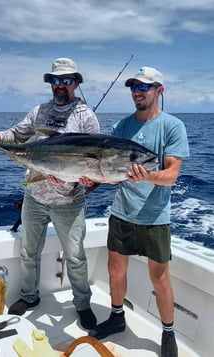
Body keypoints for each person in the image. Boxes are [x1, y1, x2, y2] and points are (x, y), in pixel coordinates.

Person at [0, 58, 100, 329]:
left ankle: (82, 303)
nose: (60, 85)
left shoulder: (86, 117)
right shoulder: (39, 111)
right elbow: (18, 134)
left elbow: (96, 161)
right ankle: (29, 296)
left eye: (66, 80)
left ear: (77, 83)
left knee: (75, 256)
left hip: (69, 202)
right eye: (55, 80)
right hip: (35, 197)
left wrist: (88, 181)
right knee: (29, 252)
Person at [88, 66, 189, 357]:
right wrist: (88, 178)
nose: (137, 91)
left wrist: (145, 176)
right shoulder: (122, 126)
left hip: (155, 217)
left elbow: (171, 175)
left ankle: (168, 332)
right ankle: (117, 317)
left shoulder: (172, 126)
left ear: (159, 90)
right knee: (114, 270)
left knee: (160, 279)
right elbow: (105, 169)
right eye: (133, 86)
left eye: (144, 87)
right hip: (122, 212)